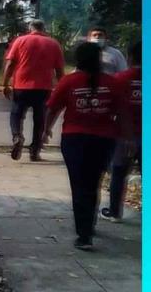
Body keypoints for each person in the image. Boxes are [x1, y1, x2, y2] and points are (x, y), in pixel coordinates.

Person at [43, 42, 131, 250]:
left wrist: (46, 130)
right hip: (104, 140)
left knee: (78, 184)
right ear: (99, 59)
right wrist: (127, 139)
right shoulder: (112, 83)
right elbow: (124, 114)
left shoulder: (69, 81)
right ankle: (88, 228)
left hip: (75, 139)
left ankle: (84, 234)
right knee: (93, 184)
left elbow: (53, 108)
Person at [2, 20, 65, 161]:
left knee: (16, 115)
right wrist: (62, 88)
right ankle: (34, 151)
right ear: (44, 29)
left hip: (21, 86)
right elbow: (59, 70)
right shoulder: (53, 44)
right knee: (40, 120)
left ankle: (17, 136)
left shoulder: (20, 41)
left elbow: (10, 64)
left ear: (30, 28)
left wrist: (5, 84)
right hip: (44, 87)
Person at [101, 41, 141, 223]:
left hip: (124, 135)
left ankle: (115, 212)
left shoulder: (119, 79)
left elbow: (110, 108)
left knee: (119, 172)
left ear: (129, 57)